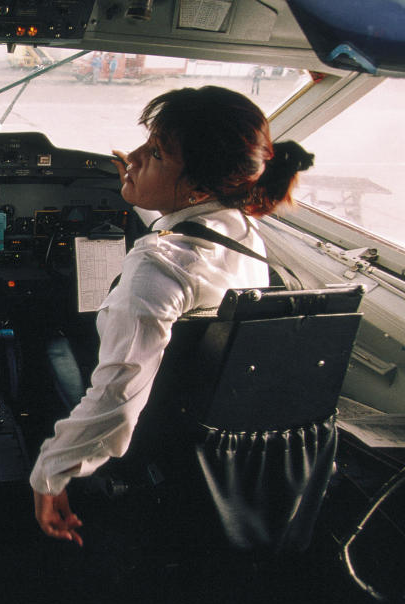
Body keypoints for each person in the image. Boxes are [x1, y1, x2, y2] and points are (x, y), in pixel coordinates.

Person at [30, 86, 314, 545]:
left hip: (148, 429)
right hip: (198, 431)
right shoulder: (239, 226)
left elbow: (117, 398)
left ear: (202, 184)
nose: (136, 156)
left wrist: (51, 471)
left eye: (156, 153)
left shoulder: (156, 267)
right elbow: (185, 221)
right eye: (146, 143)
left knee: (49, 339)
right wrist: (142, 186)